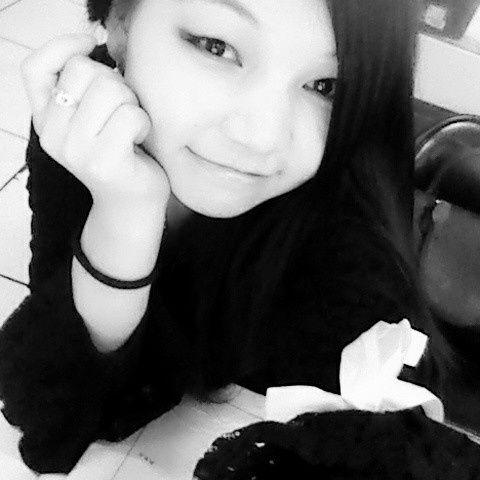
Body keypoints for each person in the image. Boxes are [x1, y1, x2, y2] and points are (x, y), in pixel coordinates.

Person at [0, 0, 479, 477]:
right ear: (120, 23)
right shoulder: (96, 115)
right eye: (217, 47)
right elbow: (51, 419)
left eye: (325, 86)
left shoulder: (346, 251)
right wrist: (124, 217)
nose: (261, 136)